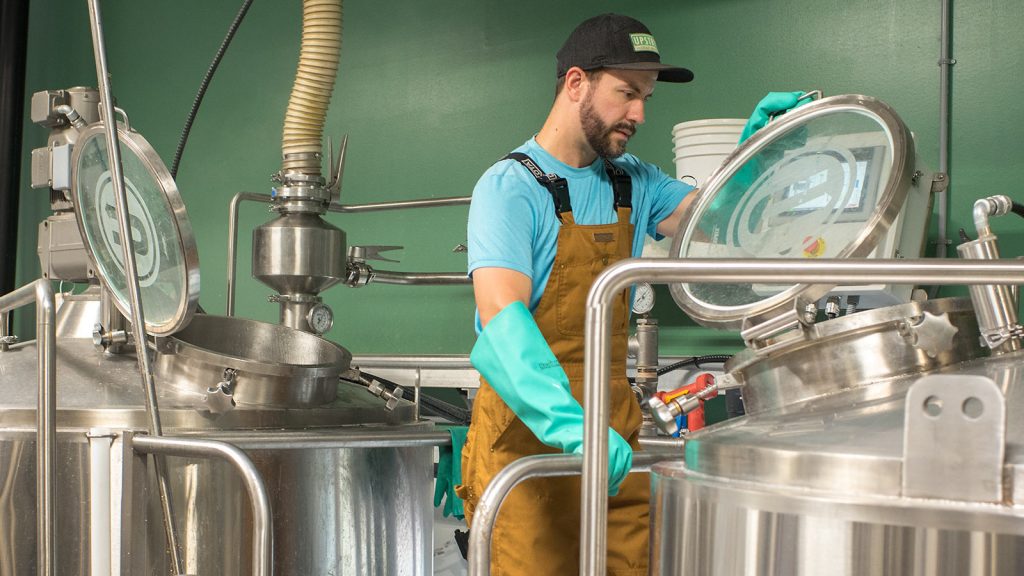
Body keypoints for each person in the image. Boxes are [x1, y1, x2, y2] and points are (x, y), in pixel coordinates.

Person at [455, 13, 697, 576]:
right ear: (575, 84)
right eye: (627, 94)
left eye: (646, 98)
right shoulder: (510, 188)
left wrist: (759, 157)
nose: (639, 114)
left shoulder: (633, 181)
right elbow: (500, 315)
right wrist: (573, 429)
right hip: (529, 446)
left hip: (614, 448)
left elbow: (715, 218)